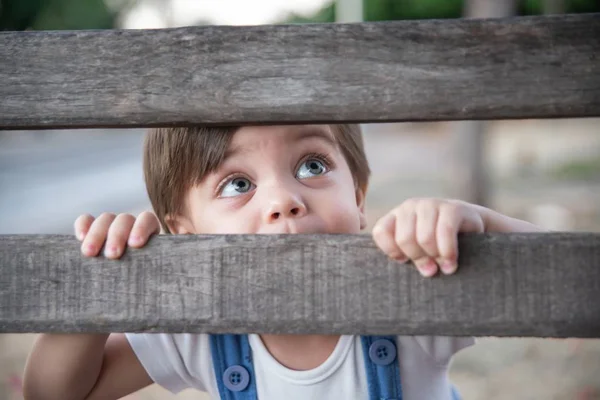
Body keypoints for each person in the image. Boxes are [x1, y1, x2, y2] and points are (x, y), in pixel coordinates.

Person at [23, 124, 543, 400]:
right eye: (237, 184)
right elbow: (55, 394)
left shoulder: (411, 283)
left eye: (312, 165)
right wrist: (96, 288)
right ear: (184, 233)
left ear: (358, 197)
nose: (283, 200)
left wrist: (476, 223)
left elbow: (568, 285)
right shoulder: (197, 328)